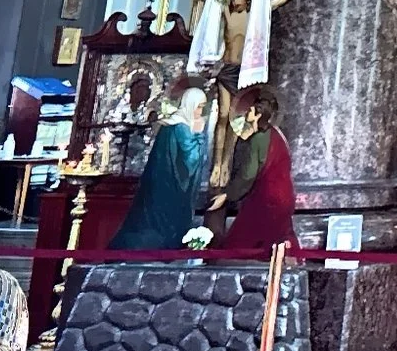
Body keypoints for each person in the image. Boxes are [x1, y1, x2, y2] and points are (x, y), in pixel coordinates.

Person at [109, 84, 209, 251]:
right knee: (165, 224)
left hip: (158, 181)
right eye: (198, 107)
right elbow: (191, 160)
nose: (199, 112)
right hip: (172, 186)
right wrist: (198, 134)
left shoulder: (170, 123)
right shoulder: (182, 128)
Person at [212, 87, 294, 252]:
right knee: (277, 241)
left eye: (250, 109)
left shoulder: (258, 139)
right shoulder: (276, 134)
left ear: (258, 114)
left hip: (267, 199)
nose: (246, 112)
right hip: (284, 197)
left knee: (240, 244)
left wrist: (227, 195)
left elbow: (248, 175)